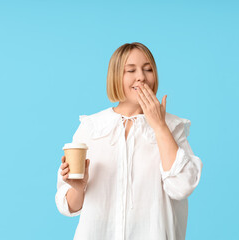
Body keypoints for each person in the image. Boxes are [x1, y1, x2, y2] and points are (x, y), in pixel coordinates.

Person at [55, 42, 203, 240]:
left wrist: (159, 126)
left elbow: (183, 186)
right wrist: (78, 188)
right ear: (116, 76)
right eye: (130, 70)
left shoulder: (172, 127)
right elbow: (69, 206)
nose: (141, 76)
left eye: (148, 69)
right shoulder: (91, 128)